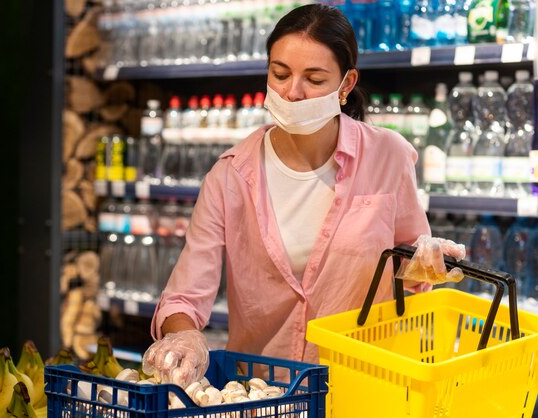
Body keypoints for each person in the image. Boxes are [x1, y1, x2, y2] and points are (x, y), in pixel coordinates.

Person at [141, 4, 465, 388]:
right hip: (262, 394)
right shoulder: (230, 176)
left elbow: (406, 267)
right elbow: (184, 298)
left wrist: (424, 263)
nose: (292, 92)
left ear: (345, 85)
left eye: (314, 79)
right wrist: (185, 336)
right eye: (280, 74)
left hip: (364, 388)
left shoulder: (388, 156)